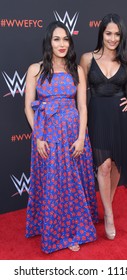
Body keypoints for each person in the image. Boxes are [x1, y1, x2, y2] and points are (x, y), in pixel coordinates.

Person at [80, 13, 127, 240]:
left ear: (121, 36)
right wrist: (79, 120)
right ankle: (109, 214)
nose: (112, 38)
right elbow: (80, 93)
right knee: (102, 166)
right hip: (97, 117)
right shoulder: (87, 59)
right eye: (108, 33)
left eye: (117, 34)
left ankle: (107, 202)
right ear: (101, 33)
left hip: (121, 118)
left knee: (116, 165)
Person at [25, 21, 98, 254]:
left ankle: (72, 230)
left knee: (71, 184)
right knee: (53, 184)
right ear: (48, 41)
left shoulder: (77, 70)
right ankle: (50, 228)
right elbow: (28, 108)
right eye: (57, 39)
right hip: (47, 135)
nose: (62, 44)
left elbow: (83, 107)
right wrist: (38, 136)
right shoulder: (35, 69)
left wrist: (80, 138)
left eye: (66, 39)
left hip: (73, 135)